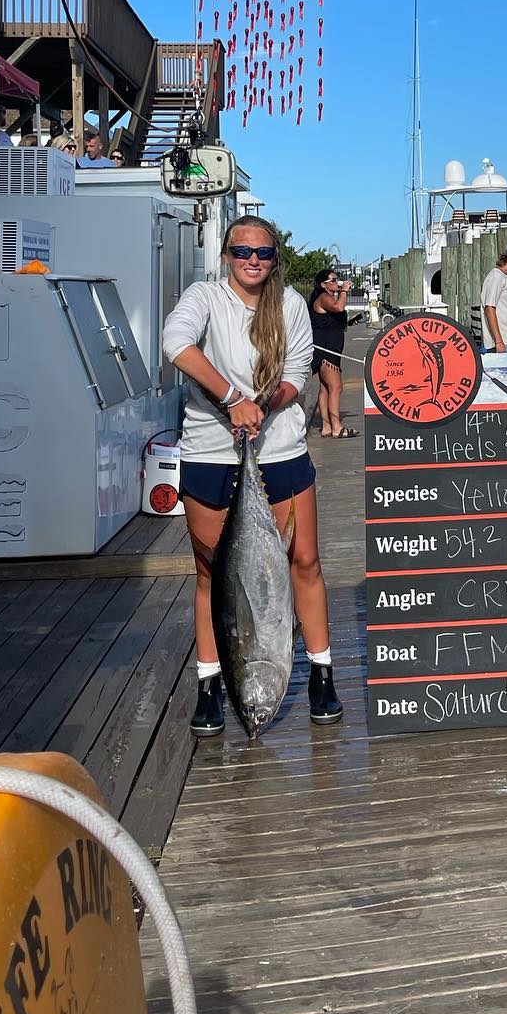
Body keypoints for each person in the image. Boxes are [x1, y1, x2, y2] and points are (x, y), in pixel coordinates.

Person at [162, 215, 342, 735]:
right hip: (211, 450)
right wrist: (232, 399)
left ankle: (321, 672)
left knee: (304, 561)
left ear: (275, 258)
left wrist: (266, 403)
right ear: (226, 256)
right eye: (242, 251)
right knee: (211, 573)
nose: (253, 261)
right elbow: (176, 343)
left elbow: (297, 372)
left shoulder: (290, 305)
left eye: (263, 252)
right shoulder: (205, 297)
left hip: (280, 446)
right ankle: (209, 682)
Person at [309, 266, 355, 439]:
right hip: (326, 349)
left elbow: (332, 320)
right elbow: (338, 307)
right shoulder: (323, 297)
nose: (337, 283)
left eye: (337, 280)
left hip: (330, 348)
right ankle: (336, 427)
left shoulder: (326, 298)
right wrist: (344, 291)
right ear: (323, 284)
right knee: (336, 387)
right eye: (333, 280)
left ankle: (327, 426)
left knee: (325, 389)